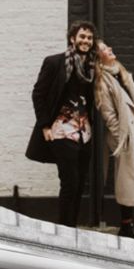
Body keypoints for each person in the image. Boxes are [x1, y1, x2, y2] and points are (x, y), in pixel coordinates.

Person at [26, 21, 98, 227]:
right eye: (82, 36)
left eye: (89, 38)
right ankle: (65, 230)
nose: (86, 41)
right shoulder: (54, 62)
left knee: (79, 184)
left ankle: (71, 228)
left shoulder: (91, 67)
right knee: (70, 183)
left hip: (85, 133)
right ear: (72, 39)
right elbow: (38, 94)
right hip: (61, 131)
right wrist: (45, 126)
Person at [96, 40, 134, 241]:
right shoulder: (102, 80)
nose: (110, 49)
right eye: (104, 49)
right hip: (126, 137)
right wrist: (122, 137)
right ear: (98, 57)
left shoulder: (121, 72)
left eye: (108, 46)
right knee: (128, 182)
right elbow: (108, 115)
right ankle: (127, 226)